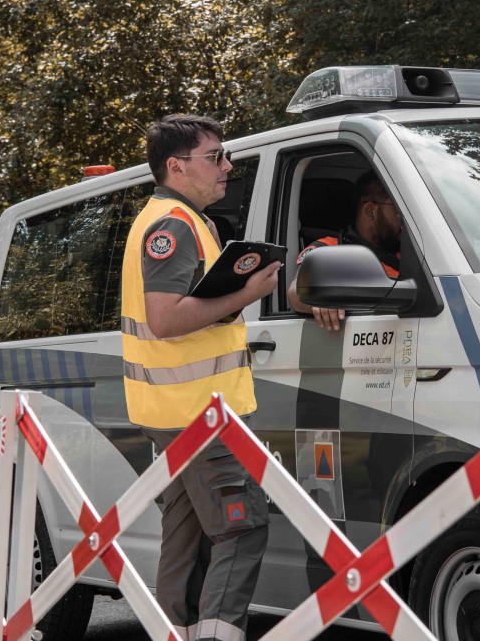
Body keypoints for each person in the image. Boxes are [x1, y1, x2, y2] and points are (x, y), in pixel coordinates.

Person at [120, 114, 280, 641]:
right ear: (177, 166)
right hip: (199, 412)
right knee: (242, 527)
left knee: (187, 536)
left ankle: (177, 632)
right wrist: (246, 294)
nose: (227, 166)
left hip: (181, 410)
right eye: (215, 157)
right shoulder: (174, 225)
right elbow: (165, 320)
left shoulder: (179, 219)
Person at [287, 170, 401, 331]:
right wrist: (322, 299)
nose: (403, 219)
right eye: (397, 210)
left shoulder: (411, 250)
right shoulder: (328, 248)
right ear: (370, 211)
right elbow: (296, 292)